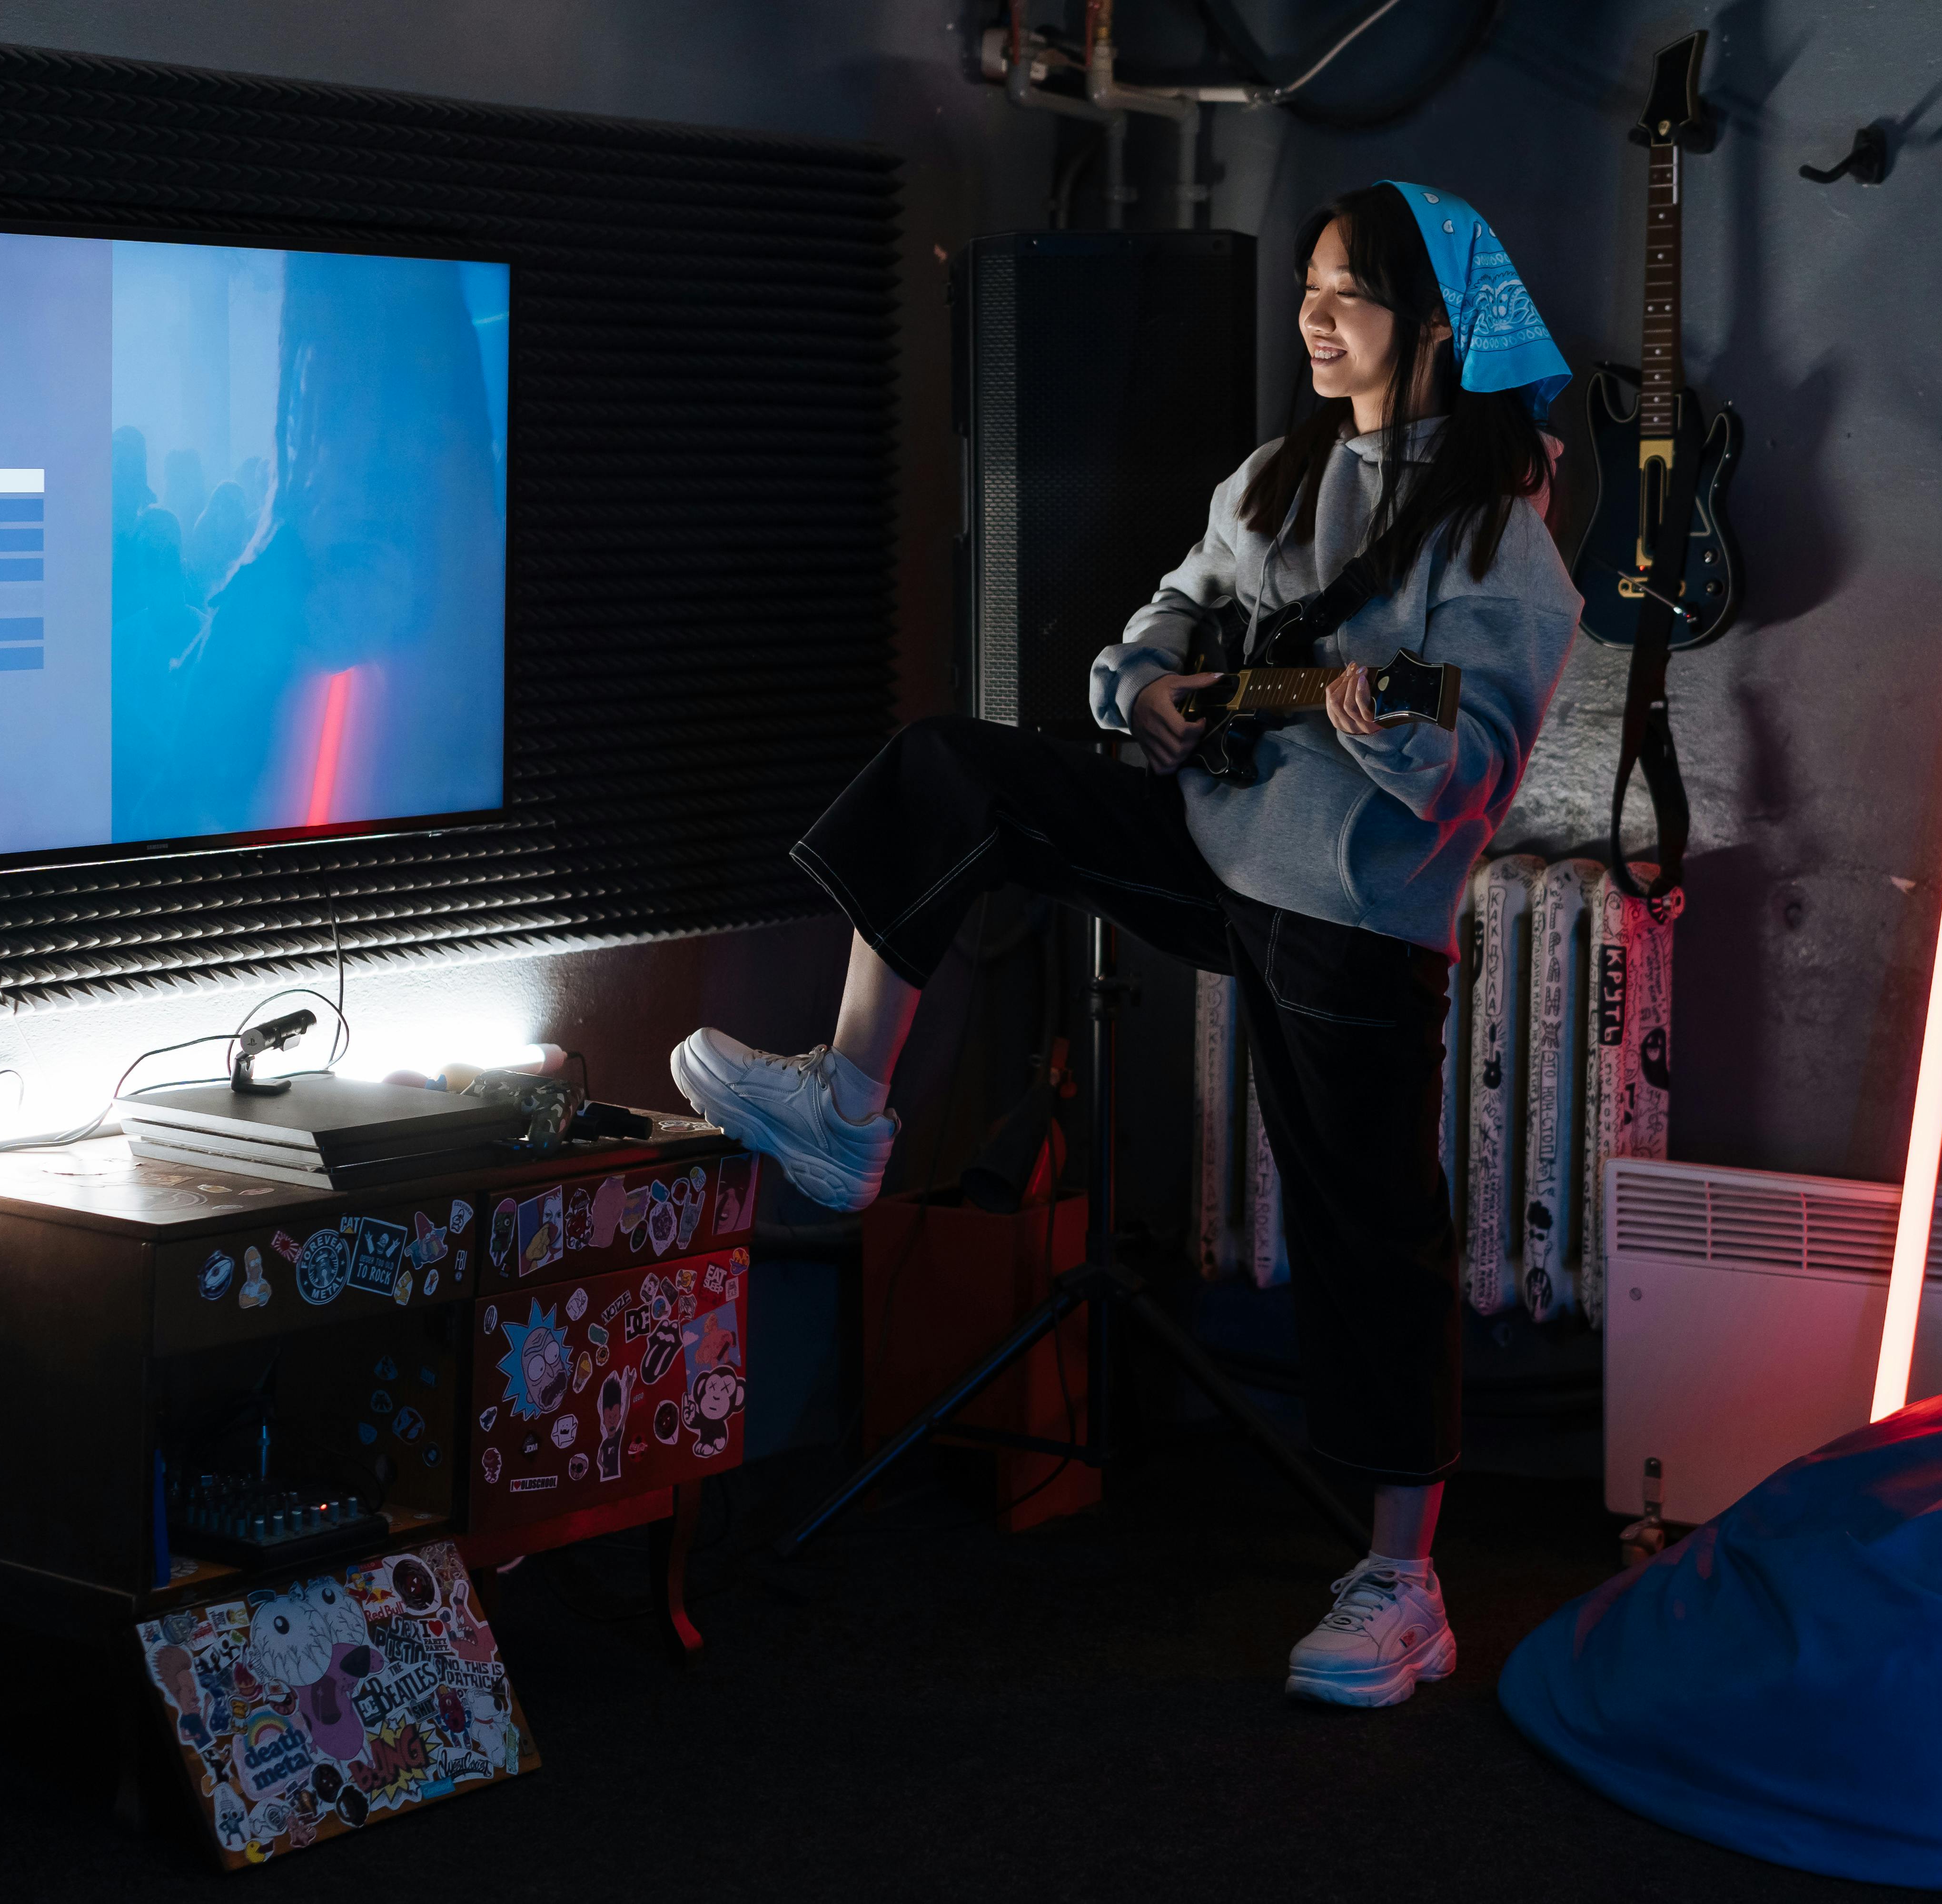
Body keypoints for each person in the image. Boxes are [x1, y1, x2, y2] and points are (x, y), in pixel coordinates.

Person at [670, 180, 1583, 1707]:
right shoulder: (1273, 478)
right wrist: (1141, 689)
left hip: (1356, 911)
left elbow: (1471, 764)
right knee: (951, 769)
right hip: (1212, 840)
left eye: (1346, 294)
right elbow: (1167, 620)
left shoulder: (1505, 545)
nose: (1311, 316)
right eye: (1307, 286)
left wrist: (1374, 721)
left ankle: (1403, 1582)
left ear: (1432, 330)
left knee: (1371, 1227)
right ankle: (846, 1103)